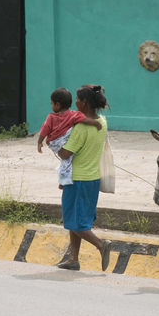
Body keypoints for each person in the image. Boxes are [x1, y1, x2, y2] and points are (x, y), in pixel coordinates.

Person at [56, 84, 111, 271]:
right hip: (92, 179)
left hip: (77, 180)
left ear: (85, 103)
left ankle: (101, 245)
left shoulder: (80, 128)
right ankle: (73, 259)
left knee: (75, 223)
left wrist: (54, 143)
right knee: (76, 220)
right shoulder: (102, 122)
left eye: (78, 100)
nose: (75, 103)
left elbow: (64, 153)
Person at [37, 87, 102, 187]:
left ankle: (63, 181)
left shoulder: (51, 117)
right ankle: (63, 181)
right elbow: (85, 120)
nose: (51, 105)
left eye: (51, 103)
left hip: (55, 142)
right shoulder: (74, 115)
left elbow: (44, 129)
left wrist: (39, 142)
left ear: (57, 105)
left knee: (66, 159)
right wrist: (95, 123)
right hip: (64, 140)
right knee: (68, 159)